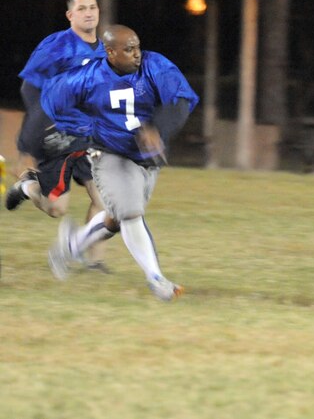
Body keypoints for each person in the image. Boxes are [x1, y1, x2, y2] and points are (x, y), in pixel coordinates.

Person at [41, 24, 199, 301]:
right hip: (110, 153)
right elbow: (53, 100)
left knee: (116, 220)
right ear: (110, 52)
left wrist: (156, 129)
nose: (137, 54)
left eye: (137, 47)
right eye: (128, 49)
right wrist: (78, 129)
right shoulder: (87, 76)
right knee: (130, 214)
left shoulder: (154, 65)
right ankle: (156, 278)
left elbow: (181, 101)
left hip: (146, 158)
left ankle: (71, 243)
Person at [6, 0, 108, 271]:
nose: (89, 12)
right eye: (82, 8)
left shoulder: (103, 50)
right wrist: (43, 125)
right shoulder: (57, 45)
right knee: (56, 209)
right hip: (58, 136)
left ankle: (95, 262)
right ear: (70, 15)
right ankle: (29, 187)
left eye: (93, 7)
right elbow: (30, 87)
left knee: (106, 199)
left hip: (90, 136)